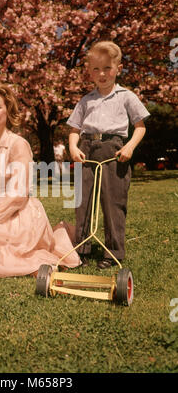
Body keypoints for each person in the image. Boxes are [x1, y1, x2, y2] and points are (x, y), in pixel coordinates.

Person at [0, 83, 81, 277]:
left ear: (8, 111)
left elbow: (17, 194)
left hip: (21, 217)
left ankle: (44, 258)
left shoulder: (18, 145)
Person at [67, 41, 150, 269]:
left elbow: (140, 126)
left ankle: (113, 252)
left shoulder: (126, 96)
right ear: (89, 71)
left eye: (107, 68)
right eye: (96, 69)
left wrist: (130, 146)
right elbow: (74, 130)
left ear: (118, 68)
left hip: (114, 152)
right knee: (82, 202)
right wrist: (74, 148)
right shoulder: (86, 100)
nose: (101, 74)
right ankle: (82, 250)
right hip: (87, 151)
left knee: (113, 203)